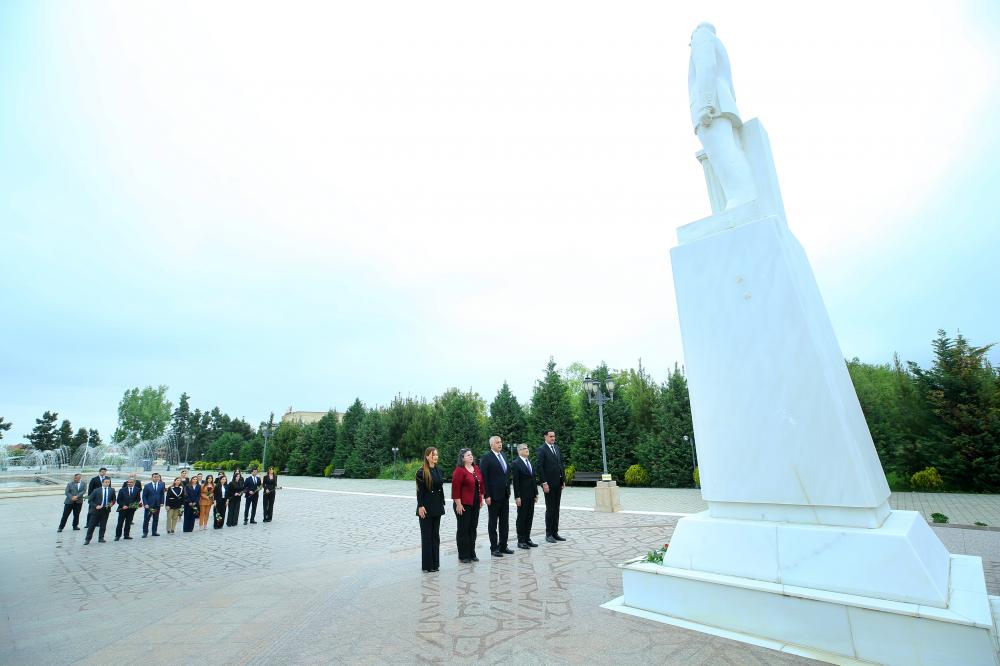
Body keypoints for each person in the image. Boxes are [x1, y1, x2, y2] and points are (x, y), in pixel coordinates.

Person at [688, 22, 756, 210]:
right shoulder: (716, 42)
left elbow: (706, 66)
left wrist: (706, 104)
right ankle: (741, 197)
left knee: (722, 152)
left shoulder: (701, 36)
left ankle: (741, 198)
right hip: (722, 103)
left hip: (712, 107)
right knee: (728, 151)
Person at [479, 436, 514, 557]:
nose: (500, 444)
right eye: (497, 442)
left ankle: (503, 545)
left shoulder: (503, 455)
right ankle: (494, 548)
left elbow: (506, 474)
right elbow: (484, 478)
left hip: (504, 494)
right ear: (491, 445)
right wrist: (486, 495)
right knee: (493, 523)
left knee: (504, 522)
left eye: (500, 442)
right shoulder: (486, 458)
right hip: (493, 496)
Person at [451, 448, 484, 564]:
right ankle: (463, 555)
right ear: (462, 458)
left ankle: (472, 553)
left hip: (475, 503)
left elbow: (481, 484)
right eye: (468, 455)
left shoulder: (476, 468)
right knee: (463, 529)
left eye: (471, 454)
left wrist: (481, 499)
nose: (471, 456)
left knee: (473, 528)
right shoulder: (459, 471)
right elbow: (455, 489)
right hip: (463, 504)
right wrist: (458, 504)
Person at [415, 447, 445, 573]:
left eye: (436, 455)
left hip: (437, 506)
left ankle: (435, 564)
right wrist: (420, 506)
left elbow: (440, 489)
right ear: (427, 456)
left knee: (435, 535)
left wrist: (442, 503)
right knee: (427, 536)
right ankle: (428, 565)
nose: (436, 457)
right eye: (433, 455)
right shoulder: (421, 472)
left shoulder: (439, 470)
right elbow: (419, 492)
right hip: (425, 508)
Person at [536, 430, 566, 543]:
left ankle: (555, 533)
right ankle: (548, 534)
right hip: (548, 484)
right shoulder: (541, 449)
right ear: (545, 437)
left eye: (554, 436)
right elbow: (540, 467)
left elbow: (561, 464)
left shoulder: (557, 448)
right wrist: (544, 483)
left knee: (556, 508)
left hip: (558, 483)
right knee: (550, 509)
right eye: (550, 436)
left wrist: (563, 480)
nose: (553, 438)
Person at [512, 443, 539, 549]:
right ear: (519, 451)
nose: (527, 450)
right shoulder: (516, 463)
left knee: (529, 517)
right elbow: (515, 481)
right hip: (522, 496)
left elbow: (533, 479)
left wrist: (536, 493)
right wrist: (517, 497)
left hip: (531, 495)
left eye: (527, 448)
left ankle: (528, 539)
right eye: (524, 448)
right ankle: (521, 540)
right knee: (522, 518)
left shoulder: (529, 462)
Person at [84, 477, 115, 544]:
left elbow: (113, 500)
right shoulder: (96, 490)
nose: (107, 483)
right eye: (106, 482)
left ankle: (101, 538)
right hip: (96, 510)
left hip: (106, 510)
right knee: (92, 525)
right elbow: (90, 500)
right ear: (102, 483)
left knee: (103, 525)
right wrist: (96, 506)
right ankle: (87, 539)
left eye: (108, 482)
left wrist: (111, 504)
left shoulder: (112, 490)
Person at [115, 476, 141, 541]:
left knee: (128, 523)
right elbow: (118, 500)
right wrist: (123, 505)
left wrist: (133, 505)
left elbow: (138, 499)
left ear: (134, 483)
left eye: (131, 482)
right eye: (128, 482)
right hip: (122, 509)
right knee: (120, 523)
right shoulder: (122, 490)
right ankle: (117, 536)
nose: (129, 483)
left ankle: (126, 535)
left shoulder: (137, 490)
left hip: (131, 509)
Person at [141, 472, 165, 538]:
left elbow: (162, 495)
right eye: (154, 477)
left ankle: (154, 532)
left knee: (156, 519)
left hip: (157, 505)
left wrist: (162, 502)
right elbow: (144, 496)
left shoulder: (161, 485)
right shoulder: (147, 486)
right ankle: (145, 532)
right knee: (146, 519)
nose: (156, 478)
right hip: (149, 505)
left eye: (157, 477)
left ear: (159, 478)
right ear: (152, 478)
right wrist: (145, 504)